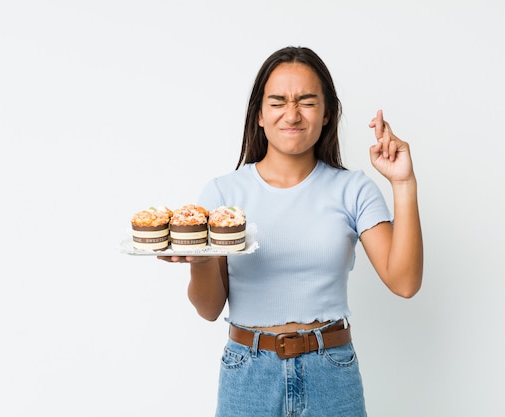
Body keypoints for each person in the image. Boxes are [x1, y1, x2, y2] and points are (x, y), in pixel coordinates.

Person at [158, 46, 423, 417]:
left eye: (307, 102)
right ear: (260, 115)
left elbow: (405, 282)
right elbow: (208, 308)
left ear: (328, 113)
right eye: (278, 101)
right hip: (247, 374)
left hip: (331, 371)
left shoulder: (354, 189)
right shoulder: (223, 194)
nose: (292, 114)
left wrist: (404, 183)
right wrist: (199, 260)